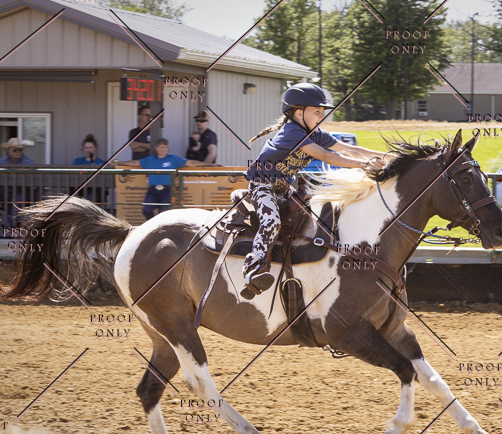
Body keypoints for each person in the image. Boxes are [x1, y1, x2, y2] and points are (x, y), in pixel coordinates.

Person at [239, 82, 387, 300]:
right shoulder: (291, 132)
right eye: (317, 111)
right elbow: (327, 156)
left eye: (321, 112)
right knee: (272, 222)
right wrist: (364, 165)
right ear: (299, 113)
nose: (321, 116)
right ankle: (253, 268)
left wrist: (389, 158)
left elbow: (349, 149)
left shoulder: (315, 134)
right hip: (262, 188)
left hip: (284, 190)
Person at [116, 138, 218, 220]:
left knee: (164, 213)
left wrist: (209, 164)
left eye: (164, 147)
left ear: (167, 148)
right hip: (152, 190)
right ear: (156, 148)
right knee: (146, 210)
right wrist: (118, 162)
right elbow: (134, 163)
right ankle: (153, 226)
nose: (162, 149)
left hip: (167, 190)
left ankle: (160, 230)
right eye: (160, 147)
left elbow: (191, 163)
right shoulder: (150, 159)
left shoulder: (173, 159)